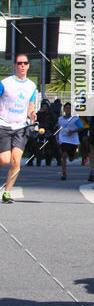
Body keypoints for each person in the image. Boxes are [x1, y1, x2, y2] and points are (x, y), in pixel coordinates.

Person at [0, 54, 37, 204]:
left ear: (28, 66)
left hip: (21, 126)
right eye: (19, 63)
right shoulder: (5, 83)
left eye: (25, 63)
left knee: (16, 160)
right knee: (4, 160)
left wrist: (32, 114)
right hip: (3, 124)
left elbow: (31, 105)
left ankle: (7, 192)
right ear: (15, 65)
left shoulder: (32, 86)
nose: (22, 65)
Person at [57, 102, 82, 179]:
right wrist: (57, 137)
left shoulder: (75, 119)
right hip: (63, 139)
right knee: (64, 155)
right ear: (64, 109)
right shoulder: (60, 119)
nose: (68, 110)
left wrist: (72, 131)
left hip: (73, 140)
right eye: (66, 108)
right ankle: (63, 172)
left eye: (69, 108)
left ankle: (75, 153)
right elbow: (58, 128)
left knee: (71, 159)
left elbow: (81, 127)